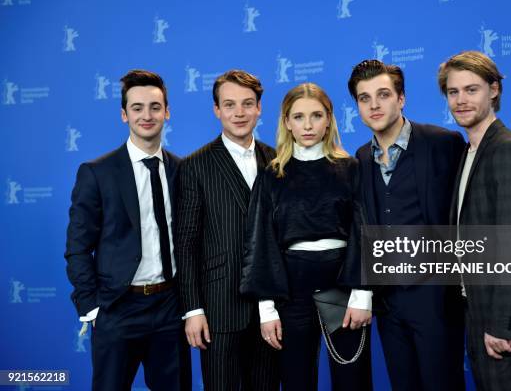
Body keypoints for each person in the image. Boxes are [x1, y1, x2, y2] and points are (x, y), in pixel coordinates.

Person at [240, 82, 373, 391]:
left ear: (329, 120)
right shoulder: (272, 175)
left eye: (316, 115)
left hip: (342, 283)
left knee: (351, 378)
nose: (308, 125)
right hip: (292, 287)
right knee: (296, 379)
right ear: (287, 122)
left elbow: (363, 232)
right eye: (299, 117)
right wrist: (266, 309)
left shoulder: (351, 168)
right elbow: (261, 242)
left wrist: (363, 293)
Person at [65, 69, 191, 391]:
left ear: (167, 111)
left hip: (170, 307)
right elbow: (78, 247)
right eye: (137, 108)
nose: (146, 115)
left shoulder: (182, 171)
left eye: (154, 107)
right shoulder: (97, 173)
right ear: (124, 114)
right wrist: (92, 307)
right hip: (117, 309)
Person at [349, 59, 466, 391]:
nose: (374, 105)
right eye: (364, 97)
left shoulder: (444, 143)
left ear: (401, 99)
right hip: (388, 302)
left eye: (383, 94)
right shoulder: (359, 158)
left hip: (436, 299)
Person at [439, 50, 511, 390]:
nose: (461, 100)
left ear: (494, 90)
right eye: (453, 92)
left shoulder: (506, 149)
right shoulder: (470, 151)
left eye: (471, 90)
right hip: (478, 312)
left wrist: (500, 325)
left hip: (505, 324)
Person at [174, 70, 279, 391]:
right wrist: (193, 309)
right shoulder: (195, 165)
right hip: (219, 310)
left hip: (270, 310)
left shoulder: (275, 160)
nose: (239, 113)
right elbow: (186, 243)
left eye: (248, 104)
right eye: (230, 105)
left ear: (260, 108)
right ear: (216, 110)